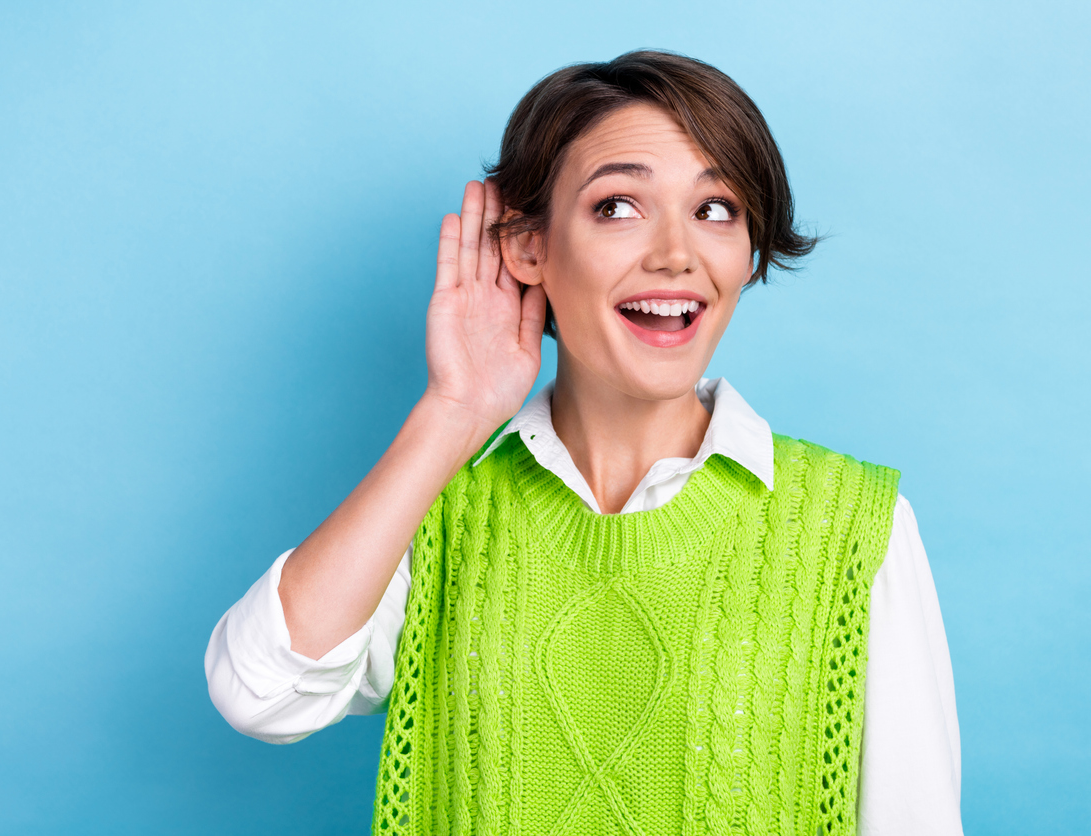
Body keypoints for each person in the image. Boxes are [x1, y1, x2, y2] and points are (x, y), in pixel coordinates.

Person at [204, 51, 962, 835]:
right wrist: (454, 413)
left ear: (748, 252)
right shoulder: (434, 508)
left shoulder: (853, 529)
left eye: (716, 210)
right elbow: (261, 692)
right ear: (528, 245)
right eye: (618, 206)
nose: (676, 252)